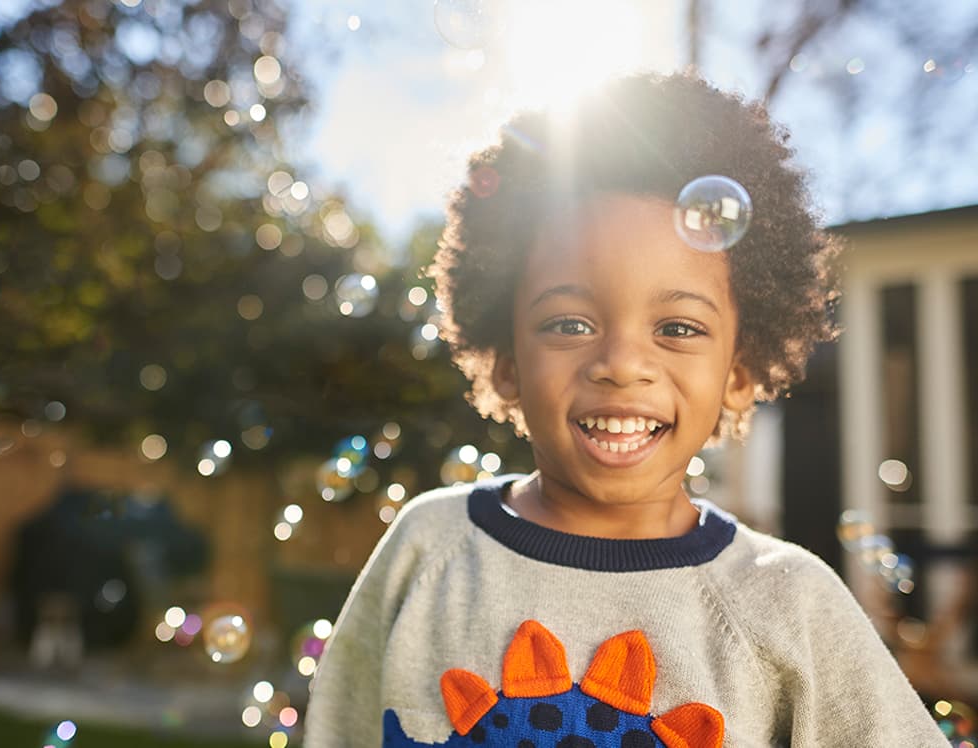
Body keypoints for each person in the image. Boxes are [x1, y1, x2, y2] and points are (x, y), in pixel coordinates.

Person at [303, 73, 947, 747]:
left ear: (739, 371)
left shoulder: (789, 605)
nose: (621, 362)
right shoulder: (427, 549)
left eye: (678, 328)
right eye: (569, 323)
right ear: (505, 359)